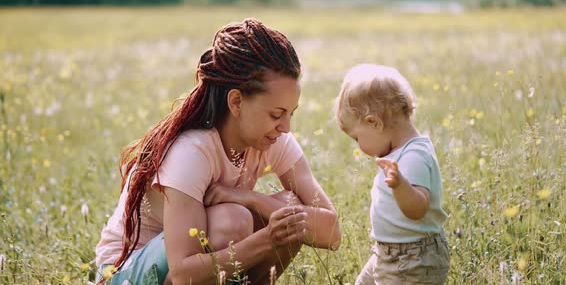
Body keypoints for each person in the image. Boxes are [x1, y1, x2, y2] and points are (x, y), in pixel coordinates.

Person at [95, 18, 341, 284]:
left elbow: (332, 232)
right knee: (233, 219)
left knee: (290, 208)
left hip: (185, 267)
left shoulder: (273, 138)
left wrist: (250, 198)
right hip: (125, 272)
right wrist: (268, 238)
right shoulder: (192, 152)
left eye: (290, 114)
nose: (285, 127)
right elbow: (182, 273)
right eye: (276, 114)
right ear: (236, 102)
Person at [334, 64, 449, 284]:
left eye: (357, 138)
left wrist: (399, 185)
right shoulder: (399, 153)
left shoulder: (414, 156)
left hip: (413, 258)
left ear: (374, 122)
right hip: (389, 253)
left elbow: (418, 208)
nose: (358, 146)